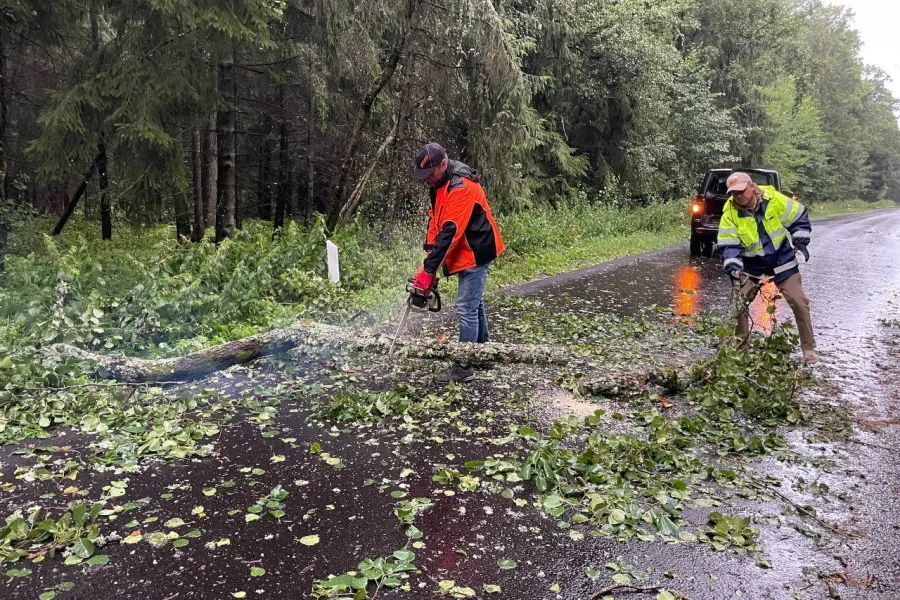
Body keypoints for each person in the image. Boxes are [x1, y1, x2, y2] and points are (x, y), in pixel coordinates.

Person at [409, 143, 505, 383]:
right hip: (464, 250)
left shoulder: (461, 186)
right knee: (474, 303)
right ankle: (482, 351)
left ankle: (464, 366)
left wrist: (429, 271)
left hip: (476, 249)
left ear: (443, 163)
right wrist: (428, 259)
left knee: (465, 307)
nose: (427, 180)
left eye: (430, 174)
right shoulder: (438, 184)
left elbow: (450, 232)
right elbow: (435, 221)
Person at [717, 172, 819, 364]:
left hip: (782, 260)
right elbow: (728, 246)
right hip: (751, 265)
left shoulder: (774, 199)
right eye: (734, 193)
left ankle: (809, 350)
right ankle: (741, 351)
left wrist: (800, 237)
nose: (738, 196)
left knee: (799, 302)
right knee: (738, 305)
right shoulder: (729, 214)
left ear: (752, 186)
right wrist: (733, 267)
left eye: (741, 191)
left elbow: (799, 216)